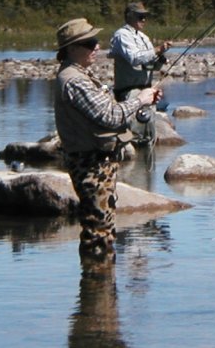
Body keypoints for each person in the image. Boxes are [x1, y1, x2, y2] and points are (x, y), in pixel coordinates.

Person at [54, 18, 161, 264]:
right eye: (89, 43)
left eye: (95, 42)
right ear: (71, 49)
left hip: (97, 162)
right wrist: (140, 100)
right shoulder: (74, 80)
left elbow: (107, 109)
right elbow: (110, 116)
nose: (96, 47)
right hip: (90, 164)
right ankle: (96, 287)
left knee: (103, 228)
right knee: (98, 232)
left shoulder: (81, 75)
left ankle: (101, 294)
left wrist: (144, 100)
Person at [108, 2, 171, 146]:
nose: (144, 20)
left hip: (147, 93)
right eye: (140, 16)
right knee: (135, 137)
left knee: (149, 135)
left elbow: (149, 65)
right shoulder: (121, 35)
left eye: (145, 16)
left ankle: (148, 166)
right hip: (130, 93)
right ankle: (134, 165)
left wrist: (160, 59)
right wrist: (156, 50)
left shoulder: (144, 37)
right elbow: (134, 58)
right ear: (129, 16)